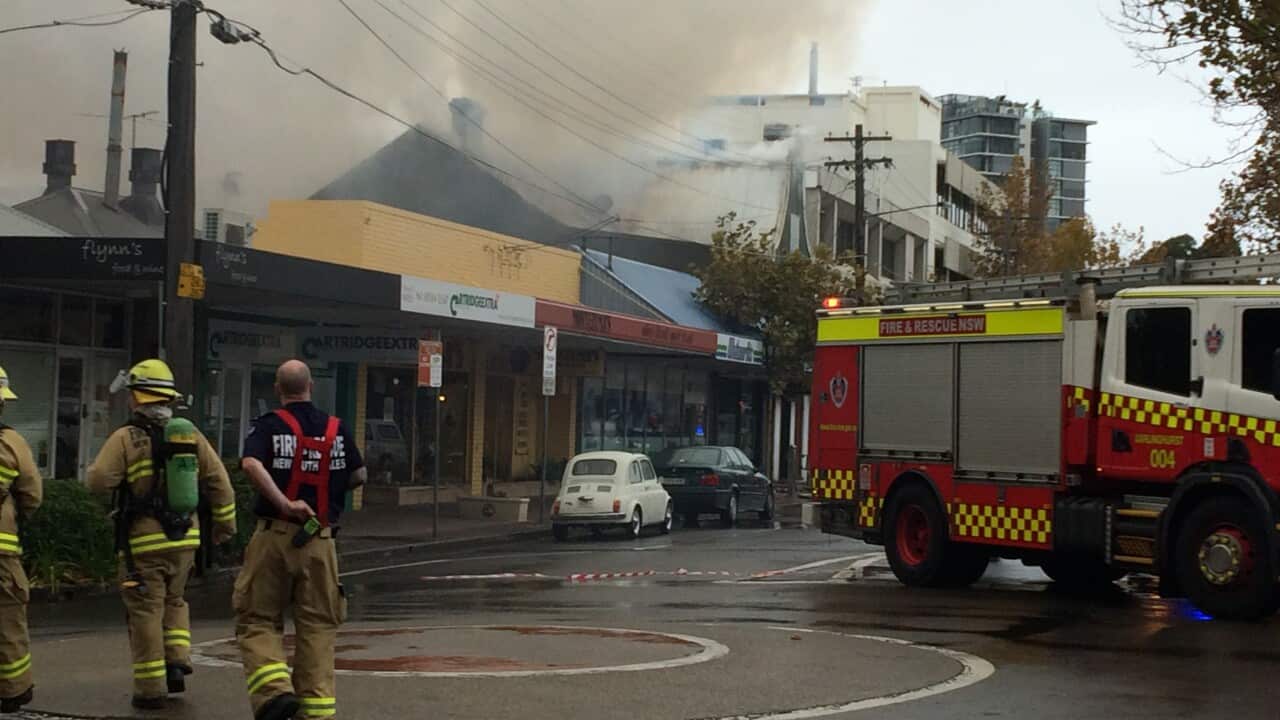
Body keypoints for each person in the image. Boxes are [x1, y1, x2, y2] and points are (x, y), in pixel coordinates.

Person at [87, 359, 237, 710]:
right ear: (168, 398)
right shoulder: (190, 434)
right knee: (175, 600)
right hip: (185, 538)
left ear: (136, 398)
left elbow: (97, 481)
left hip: (144, 542)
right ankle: (177, 659)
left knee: (145, 610)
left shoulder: (126, 437)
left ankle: (151, 690)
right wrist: (225, 527)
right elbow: (221, 484)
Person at [236, 359, 365, 720]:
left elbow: (249, 464)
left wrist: (283, 501)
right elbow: (359, 475)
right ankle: (317, 711)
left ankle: (275, 693)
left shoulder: (268, 426)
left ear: (278, 389)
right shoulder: (337, 429)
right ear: (310, 386)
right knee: (319, 627)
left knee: (258, 618)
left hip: (274, 536)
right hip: (321, 541)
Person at [0, 367, 41, 714]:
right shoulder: (11, 442)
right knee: (8, 618)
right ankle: (14, 692)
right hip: (1, 552)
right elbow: (31, 494)